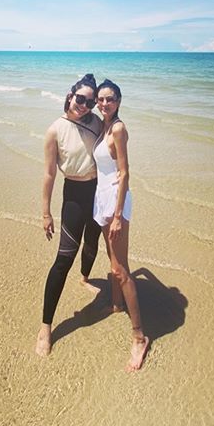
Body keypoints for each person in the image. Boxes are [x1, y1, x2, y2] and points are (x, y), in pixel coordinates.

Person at [36, 73, 103, 357]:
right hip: (74, 194)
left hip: (99, 192)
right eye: (80, 99)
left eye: (90, 102)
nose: (84, 106)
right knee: (64, 258)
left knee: (93, 242)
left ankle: (85, 279)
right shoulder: (55, 130)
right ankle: (46, 327)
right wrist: (46, 213)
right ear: (70, 95)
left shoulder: (97, 122)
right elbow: (49, 174)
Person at [94, 79, 149, 371]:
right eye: (101, 99)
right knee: (112, 260)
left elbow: (125, 173)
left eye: (110, 99)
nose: (105, 103)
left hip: (116, 200)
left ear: (119, 101)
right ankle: (116, 305)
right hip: (103, 197)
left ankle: (139, 336)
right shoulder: (103, 126)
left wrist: (117, 215)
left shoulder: (117, 129)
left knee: (121, 269)